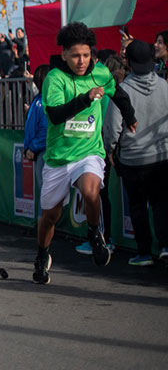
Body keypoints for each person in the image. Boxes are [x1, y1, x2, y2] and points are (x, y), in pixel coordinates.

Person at [33, 22, 136, 284]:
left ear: (92, 53)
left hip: (89, 151)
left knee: (91, 192)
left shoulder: (100, 73)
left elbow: (118, 94)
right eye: (76, 55)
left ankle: (94, 234)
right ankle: (43, 254)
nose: (82, 61)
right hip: (58, 158)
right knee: (50, 217)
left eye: (87, 55)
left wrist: (130, 116)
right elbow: (55, 116)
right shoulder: (55, 79)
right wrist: (86, 99)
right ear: (65, 54)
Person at [103, 40, 168, 266]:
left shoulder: (123, 91)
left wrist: (109, 149)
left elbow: (112, 127)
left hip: (133, 159)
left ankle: (143, 252)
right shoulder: (164, 86)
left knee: (138, 206)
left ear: (128, 62)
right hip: (162, 156)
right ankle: (165, 246)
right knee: (161, 203)